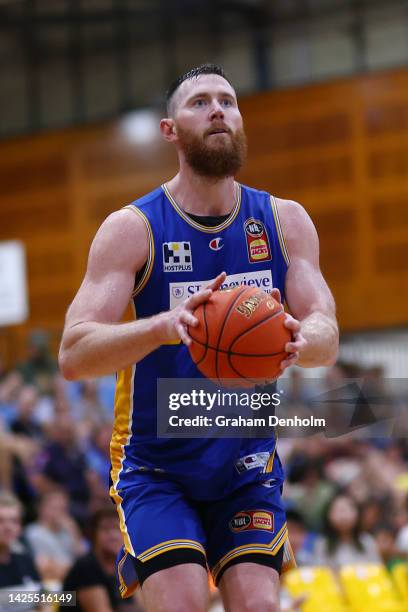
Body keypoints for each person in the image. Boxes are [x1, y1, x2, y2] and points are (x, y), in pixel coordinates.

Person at [59, 63, 338, 612]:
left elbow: (326, 328)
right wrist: (163, 326)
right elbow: (72, 353)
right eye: (200, 102)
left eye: (228, 101)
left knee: (258, 605)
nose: (218, 110)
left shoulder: (285, 222)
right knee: (183, 600)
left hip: (246, 460)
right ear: (170, 130)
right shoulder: (132, 229)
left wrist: (303, 339)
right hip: (157, 464)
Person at [63, 507, 142, 612]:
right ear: (93, 535)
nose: (112, 535)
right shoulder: (86, 567)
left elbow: (144, 607)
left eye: (117, 529)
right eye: (105, 529)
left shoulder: (128, 565)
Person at [313, 492, 381, 570]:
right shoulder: (322, 544)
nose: (343, 515)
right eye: (338, 510)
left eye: (347, 509)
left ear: (357, 513)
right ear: (328, 515)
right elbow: (320, 574)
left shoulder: (366, 541)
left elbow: (377, 570)